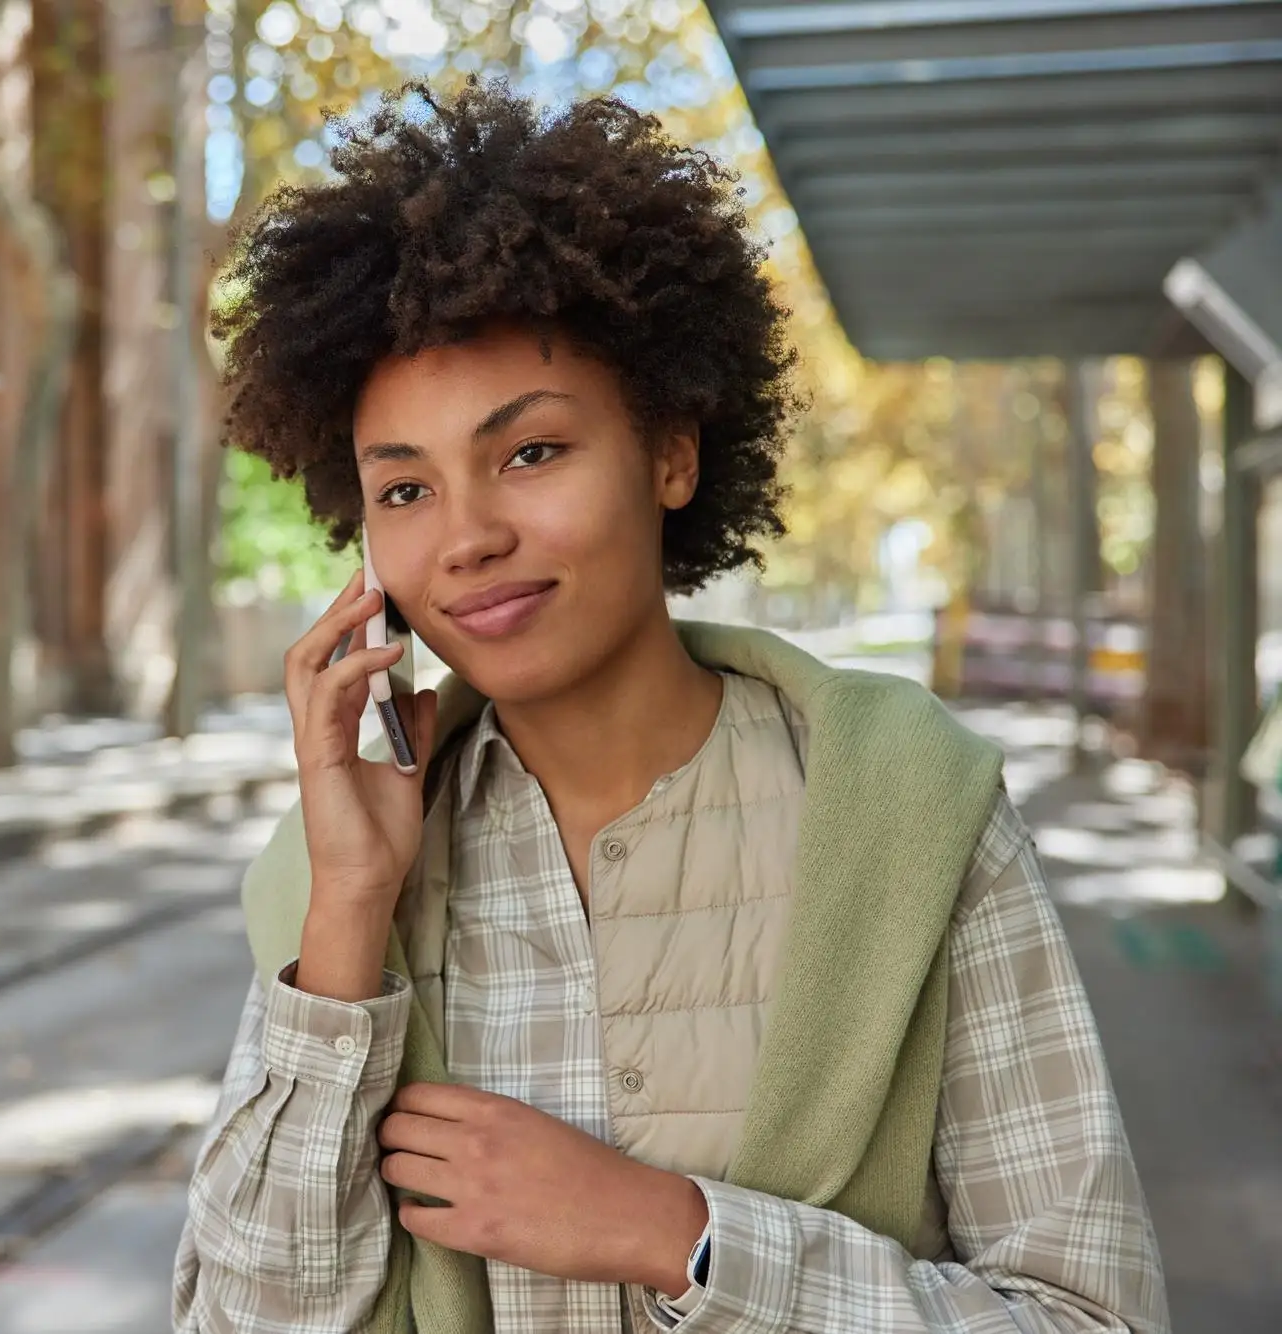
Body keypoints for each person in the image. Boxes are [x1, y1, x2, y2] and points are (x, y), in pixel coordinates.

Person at [172, 81, 1166, 1334]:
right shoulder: (331, 883)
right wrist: (349, 913)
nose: (467, 537)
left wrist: (672, 1234)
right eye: (405, 489)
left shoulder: (907, 812)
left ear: (670, 453)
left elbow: (1093, 1315)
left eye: (529, 452)